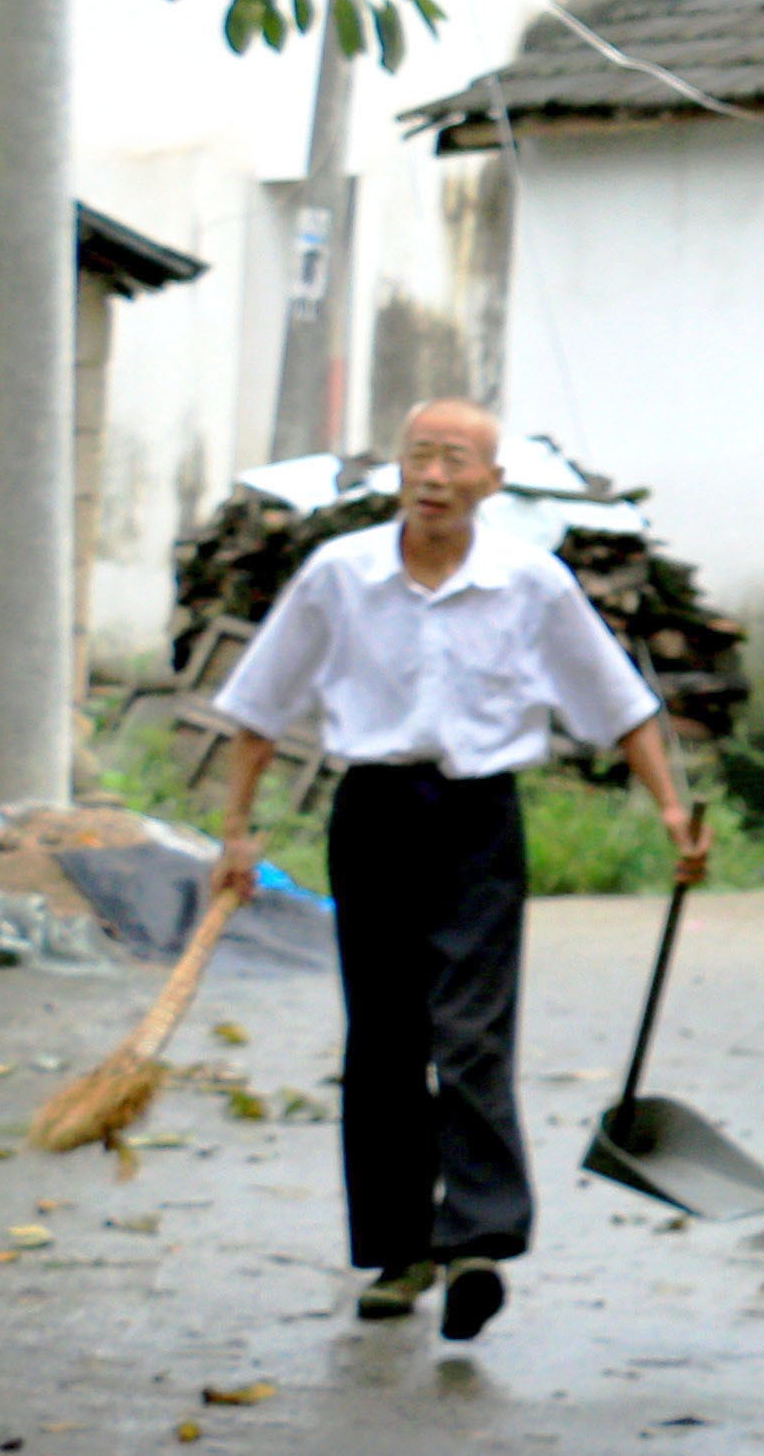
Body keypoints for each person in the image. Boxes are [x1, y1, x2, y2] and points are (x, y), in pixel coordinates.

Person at [208, 400, 709, 1339]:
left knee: (470, 1031)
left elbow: (619, 703)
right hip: (374, 811)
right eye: (419, 457)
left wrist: (672, 808)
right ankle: (400, 1252)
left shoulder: (530, 581)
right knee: (384, 1038)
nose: (433, 475)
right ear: (399, 471)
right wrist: (237, 834)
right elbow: (261, 704)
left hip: (479, 818)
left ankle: (477, 1242)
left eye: (455, 460)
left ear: (492, 482)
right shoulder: (339, 573)